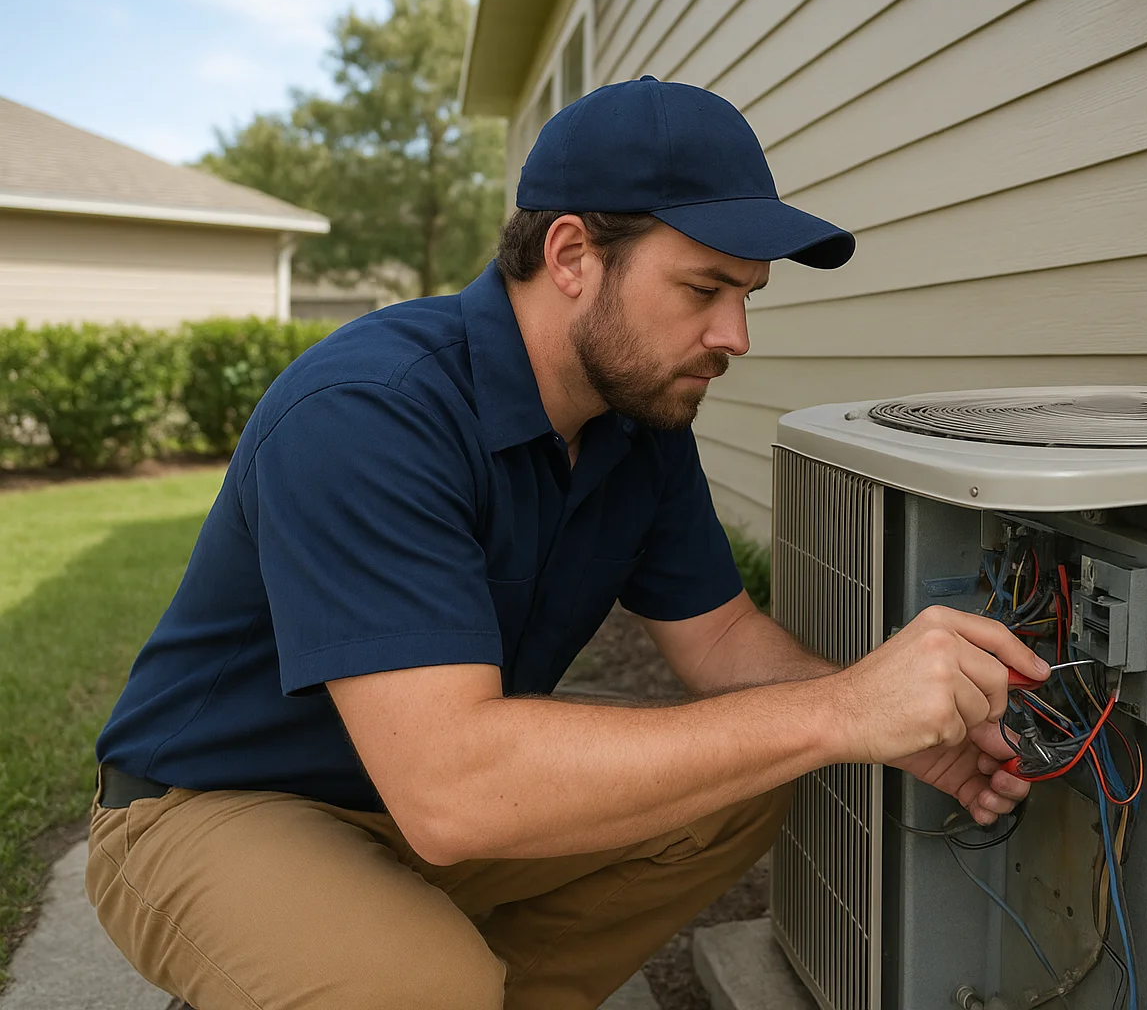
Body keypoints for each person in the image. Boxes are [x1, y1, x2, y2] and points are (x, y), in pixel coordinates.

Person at [86, 76, 1048, 1010]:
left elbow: (720, 645)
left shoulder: (638, 424)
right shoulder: (370, 412)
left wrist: (908, 735)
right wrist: (839, 711)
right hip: (213, 804)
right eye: (705, 287)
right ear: (573, 255)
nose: (736, 334)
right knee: (414, 990)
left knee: (747, 780)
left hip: (415, 803)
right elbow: (453, 788)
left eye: (747, 294)